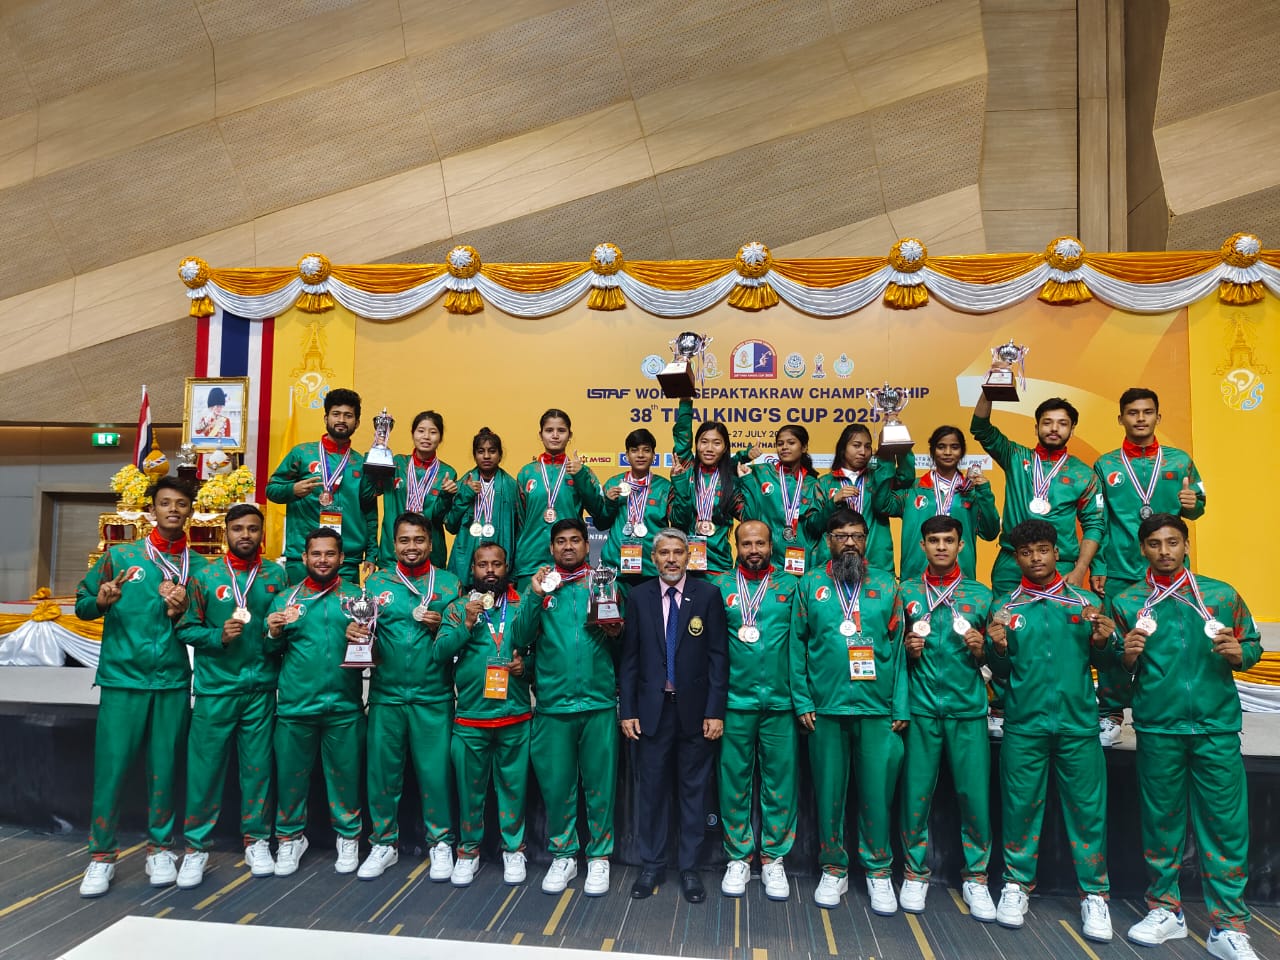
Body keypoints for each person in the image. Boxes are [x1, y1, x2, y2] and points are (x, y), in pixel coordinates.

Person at [1112, 514, 1262, 960]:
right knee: (1161, 823)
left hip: (1216, 726)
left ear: (1186, 544)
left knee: (1225, 826)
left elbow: (1250, 643)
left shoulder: (1220, 594)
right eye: (1154, 544)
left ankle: (1228, 926)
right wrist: (1125, 658)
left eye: (1172, 542)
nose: (1164, 551)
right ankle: (1166, 910)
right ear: (1143, 549)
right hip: (1158, 726)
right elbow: (1115, 677)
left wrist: (1242, 653)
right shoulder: (1126, 601)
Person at [985, 519, 1115, 943]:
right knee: (1020, 807)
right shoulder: (1006, 607)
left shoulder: (1086, 602)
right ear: (1016, 558)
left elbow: (1108, 659)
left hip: (1078, 723)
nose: (1035, 558)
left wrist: (1103, 641)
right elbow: (1000, 672)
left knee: (1087, 812)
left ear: (1056, 552)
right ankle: (1015, 885)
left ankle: (1094, 894)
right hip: (1024, 724)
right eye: (1026, 553)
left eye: (1043, 550)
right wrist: (999, 647)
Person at [77, 477, 201, 897]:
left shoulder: (199, 566)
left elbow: (202, 628)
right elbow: (82, 602)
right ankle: (100, 856)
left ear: (190, 511)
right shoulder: (121, 556)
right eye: (165, 503)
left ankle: (160, 848)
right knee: (110, 770)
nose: (173, 510)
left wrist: (182, 613)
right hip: (123, 678)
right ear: (152, 509)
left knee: (164, 769)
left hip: (171, 680)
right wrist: (102, 601)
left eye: (181, 504)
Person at [791, 508, 906, 913]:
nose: (851, 543)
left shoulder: (888, 586)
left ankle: (878, 871)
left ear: (866, 539)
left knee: (877, 794)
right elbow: (797, 647)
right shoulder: (810, 585)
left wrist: (901, 704)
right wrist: (803, 699)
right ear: (828, 542)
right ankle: (833, 869)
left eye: (857, 535)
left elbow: (900, 652)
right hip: (825, 709)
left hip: (878, 710)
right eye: (841, 536)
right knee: (829, 794)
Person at [175, 503, 289, 888]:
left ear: (262, 533)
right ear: (226, 532)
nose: (246, 535)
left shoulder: (276, 574)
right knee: (204, 772)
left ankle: (257, 840)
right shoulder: (204, 576)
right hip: (216, 690)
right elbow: (186, 629)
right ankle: (195, 848)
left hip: (261, 691)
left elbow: (283, 632)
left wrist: (275, 635)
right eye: (238, 528)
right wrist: (216, 637)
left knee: (258, 771)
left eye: (253, 529)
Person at [1091, 388, 1206, 748]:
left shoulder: (1180, 461)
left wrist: (1194, 501)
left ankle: (1165, 709)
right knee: (1114, 642)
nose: (1140, 418)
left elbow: (1199, 502)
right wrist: (1098, 563)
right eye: (1132, 412)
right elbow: (1098, 517)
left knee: (1169, 639)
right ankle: (1110, 714)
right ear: (1121, 418)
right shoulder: (1105, 464)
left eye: (1147, 412)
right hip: (1121, 568)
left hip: (1168, 571)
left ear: (1159, 416)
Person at [620, 528, 728, 903]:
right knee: (651, 792)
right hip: (651, 712)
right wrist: (627, 709)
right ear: (653, 559)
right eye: (663, 553)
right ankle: (651, 865)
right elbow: (629, 658)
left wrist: (716, 711)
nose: (670, 559)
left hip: (696, 714)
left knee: (693, 793)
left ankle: (689, 868)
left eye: (677, 553)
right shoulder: (638, 597)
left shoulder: (708, 595)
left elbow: (718, 657)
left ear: (689, 557)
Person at [896, 515, 996, 920]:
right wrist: (907, 649)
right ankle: (915, 874)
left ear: (961, 546)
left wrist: (982, 651)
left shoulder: (981, 596)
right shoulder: (904, 593)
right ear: (922, 546)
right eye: (934, 540)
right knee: (915, 797)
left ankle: (976, 878)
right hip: (920, 709)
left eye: (949, 540)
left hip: (967, 710)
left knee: (974, 798)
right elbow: (889, 657)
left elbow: (1002, 660)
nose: (941, 546)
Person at [356, 513, 463, 881]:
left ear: (431, 544)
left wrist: (443, 626)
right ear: (394, 544)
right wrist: (357, 635)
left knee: (435, 775)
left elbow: (462, 639)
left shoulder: (449, 584)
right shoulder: (376, 583)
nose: (412, 547)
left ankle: (441, 843)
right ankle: (383, 843)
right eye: (404, 540)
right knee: (382, 775)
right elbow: (364, 631)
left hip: (433, 696)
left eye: (419, 540)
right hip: (387, 695)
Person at [526, 520, 622, 896]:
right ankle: (563, 854)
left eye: (575, 541)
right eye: (560, 542)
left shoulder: (605, 582)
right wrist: (534, 595)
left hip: (598, 701)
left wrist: (617, 630)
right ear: (551, 549)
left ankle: (599, 858)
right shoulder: (539, 587)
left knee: (600, 786)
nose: (568, 547)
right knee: (558, 787)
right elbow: (519, 637)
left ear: (587, 546)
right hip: (553, 704)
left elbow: (624, 641)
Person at [435, 543, 540, 886]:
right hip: (471, 717)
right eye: (483, 565)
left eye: (497, 564)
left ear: (507, 566)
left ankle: (514, 849)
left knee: (514, 788)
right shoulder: (457, 607)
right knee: (470, 791)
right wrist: (466, 623)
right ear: (474, 569)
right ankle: (468, 852)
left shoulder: (523, 603)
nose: (490, 570)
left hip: (514, 714)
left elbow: (542, 653)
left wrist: (526, 667)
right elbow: (439, 652)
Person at [266, 528, 365, 877]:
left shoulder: (357, 598)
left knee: (346, 778)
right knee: (291, 779)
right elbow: (268, 652)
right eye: (316, 554)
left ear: (341, 558)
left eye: (330, 554)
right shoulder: (284, 600)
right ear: (304, 558)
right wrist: (274, 633)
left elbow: (373, 652)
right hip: (296, 707)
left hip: (344, 707)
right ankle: (290, 837)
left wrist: (364, 635)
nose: (323, 560)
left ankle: (349, 837)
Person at [710, 521, 798, 901]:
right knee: (735, 784)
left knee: (780, 784)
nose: (754, 549)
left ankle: (774, 859)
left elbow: (803, 644)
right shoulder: (720, 587)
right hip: (735, 703)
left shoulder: (792, 586)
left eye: (760, 542)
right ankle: (738, 857)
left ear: (771, 543)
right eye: (746, 543)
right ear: (736, 545)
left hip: (781, 702)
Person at [970, 391, 1104, 595]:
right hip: (1011, 564)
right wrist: (990, 387)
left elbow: (1094, 524)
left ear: (1072, 429)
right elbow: (981, 429)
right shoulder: (1014, 457)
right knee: (1003, 624)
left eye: (1062, 423)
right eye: (1047, 422)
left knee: (1056, 626)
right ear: (1036, 428)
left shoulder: (1085, 474)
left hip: (1060, 566)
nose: (1054, 428)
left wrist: (1080, 569)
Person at [265, 388, 379, 584]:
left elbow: (370, 512)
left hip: (346, 559)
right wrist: (292, 490)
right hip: (302, 555)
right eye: (336, 414)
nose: (341, 420)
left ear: (357, 423)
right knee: (298, 612)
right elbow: (272, 490)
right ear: (326, 418)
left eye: (348, 415)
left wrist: (371, 554)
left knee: (343, 614)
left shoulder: (362, 463)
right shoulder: (302, 454)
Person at [877, 425, 999, 582]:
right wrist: (895, 454)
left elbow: (990, 533)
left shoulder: (973, 492)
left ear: (962, 452)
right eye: (941, 447)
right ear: (933, 450)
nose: (948, 452)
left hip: (961, 581)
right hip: (916, 581)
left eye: (954, 447)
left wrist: (985, 492)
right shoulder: (914, 489)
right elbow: (883, 505)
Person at [512, 409, 601, 587]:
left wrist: (580, 476)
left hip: (570, 564)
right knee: (529, 613)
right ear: (541, 434)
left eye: (561, 431)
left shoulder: (580, 471)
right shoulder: (527, 473)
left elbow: (600, 513)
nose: (555, 436)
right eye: (549, 430)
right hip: (531, 563)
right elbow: (520, 521)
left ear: (570, 435)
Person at [815, 423, 913, 574]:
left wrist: (896, 440)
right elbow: (812, 526)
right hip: (834, 562)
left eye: (867, 447)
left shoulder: (879, 476)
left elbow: (906, 478)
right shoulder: (825, 483)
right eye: (856, 445)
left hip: (876, 561)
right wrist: (833, 502)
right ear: (843, 448)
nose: (863, 452)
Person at [584, 428, 671, 586]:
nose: (640, 455)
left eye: (646, 450)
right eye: (634, 450)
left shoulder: (665, 487)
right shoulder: (613, 483)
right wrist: (610, 503)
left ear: (653, 456)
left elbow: (679, 523)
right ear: (627, 456)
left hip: (652, 568)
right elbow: (601, 524)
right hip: (616, 569)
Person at [668, 400, 744, 576]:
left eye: (716, 443)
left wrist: (746, 481)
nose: (709, 448)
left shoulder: (730, 482)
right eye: (704, 442)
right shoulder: (685, 471)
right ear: (696, 445)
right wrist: (685, 403)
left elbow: (750, 517)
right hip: (684, 565)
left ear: (725, 448)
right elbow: (679, 520)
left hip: (718, 566)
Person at [735, 425, 823, 576]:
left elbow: (814, 527)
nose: (784, 447)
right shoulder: (761, 472)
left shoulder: (812, 483)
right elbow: (721, 468)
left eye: (791, 442)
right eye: (780, 444)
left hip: (798, 561)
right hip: (763, 558)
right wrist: (745, 456)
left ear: (804, 447)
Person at [377, 410, 458, 571]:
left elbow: (439, 517)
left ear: (440, 438)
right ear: (413, 434)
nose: (426, 436)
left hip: (430, 552)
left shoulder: (447, 472)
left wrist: (446, 496)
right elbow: (371, 490)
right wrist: (379, 449)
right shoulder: (396, 463)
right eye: (421, 431)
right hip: (392, 552)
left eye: (433, 432)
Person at [446, 427, 520, 582]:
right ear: (474, 455)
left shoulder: (512, 487)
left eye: (492, 451)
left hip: (499, 559)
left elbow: (518, 532)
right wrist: (465, 494)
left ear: (500, 455)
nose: (486, 456)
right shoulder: (462, 484)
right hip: (466, 559)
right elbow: (451, 526)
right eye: (481, 451)